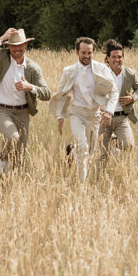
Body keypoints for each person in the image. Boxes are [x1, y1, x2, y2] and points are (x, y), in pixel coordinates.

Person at [0, 27, 51, 176]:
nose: (17, 49)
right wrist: (2, 38)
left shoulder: (33, 68)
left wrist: (30, 87)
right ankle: (2, 165)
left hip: (23, 112)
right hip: (2, 109)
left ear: (25, 45)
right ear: (9, 46)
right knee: (12, 137)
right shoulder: (1, 58)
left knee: (20, 156)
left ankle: (12, 186)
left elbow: (46, 94)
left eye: (20, 45)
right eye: (13, 46)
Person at [48, 37, 119, 182]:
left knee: (91, 151)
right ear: (76, 52)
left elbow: (114, 91)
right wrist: (60, 117)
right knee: (82, 146)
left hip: (94, 114)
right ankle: (83, 184)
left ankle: (72, 153)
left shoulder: (102, 69)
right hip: (77, 113)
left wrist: (109, 111)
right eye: (83, 53)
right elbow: (61, 93)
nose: (86, 56)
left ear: (93, 52)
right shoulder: (69, 71)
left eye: (89, 53)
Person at [98, 39, 138, 163]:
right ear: (107, 58)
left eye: (120, 56)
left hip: (122, 117)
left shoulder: (129, 73)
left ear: (123, 57)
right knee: (102, 154)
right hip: (103, 118)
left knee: (129, 145)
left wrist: (132, 98)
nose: (117, 59)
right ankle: (99, 181)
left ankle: (112, 142)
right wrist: (98, 109)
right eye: (113, 57)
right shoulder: (100, 73)